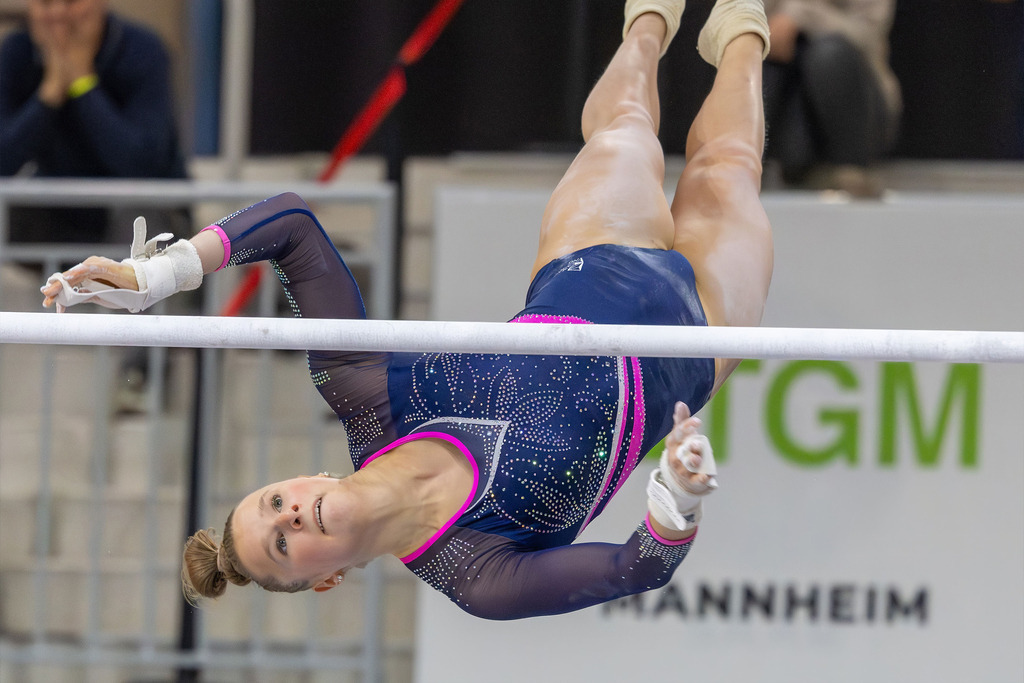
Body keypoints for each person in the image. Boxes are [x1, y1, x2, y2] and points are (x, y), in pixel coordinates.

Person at [40, 0, 774, 620]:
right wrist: (675, 497)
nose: (290, 518)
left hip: (590, 263)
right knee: (729, 165)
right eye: (284, 544)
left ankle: (646, 24)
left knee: (625, 135)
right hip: (690, 345)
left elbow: (293, 227)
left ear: (302, 480)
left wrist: (162, 272)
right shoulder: (476, 571)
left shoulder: (367, 397)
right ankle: (742, 27)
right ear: (322, 580)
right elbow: (630, 568)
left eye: (274, 504)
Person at [0, 0, 188, 243]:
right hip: (59, 214)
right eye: (46, 3)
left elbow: (141, 164)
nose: (58, 13)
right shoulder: (17, 51)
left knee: (138, 220)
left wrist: (82, 80)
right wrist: (50, 92)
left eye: (71, 2)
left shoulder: (143, 49)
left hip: (142, 214)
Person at [761, 0, 900, 196]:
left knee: (829, 54)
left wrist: (799, 18)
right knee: (753, 56)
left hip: (861, 109)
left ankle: (852, 171)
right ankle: (746, 165)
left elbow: (868, 34)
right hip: (789, 110)